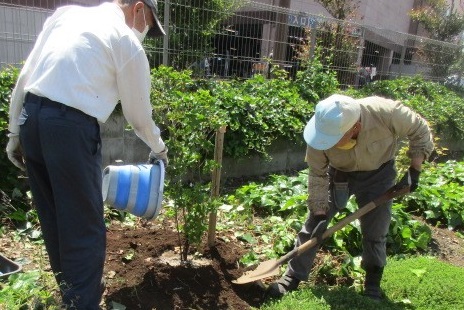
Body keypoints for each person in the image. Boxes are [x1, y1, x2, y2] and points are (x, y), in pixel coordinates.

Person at [5, 0, 168, 308]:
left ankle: (74, 292)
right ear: (137, 8)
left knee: (53, 216)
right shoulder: (124, 39)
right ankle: (82, 303)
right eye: (148, 22)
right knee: (84, 225)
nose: (146, 31)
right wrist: (160, 149)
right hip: (70, 128)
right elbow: (138, 115)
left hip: (33, 120)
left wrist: (15, 130)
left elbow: (27, 74)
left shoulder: (66, 15)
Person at [266, 94, 434, 300]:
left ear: (355, 127)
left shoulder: (387, 112)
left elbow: (420, 130)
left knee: (376, 229)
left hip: (379, 175)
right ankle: (292, 277)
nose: (327, 143)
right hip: (339, 175)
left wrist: (414, 170)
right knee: (312, 226)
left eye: (334, 139)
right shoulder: (319, 134)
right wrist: (319, 213)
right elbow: (317, 175)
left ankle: (373, 281)